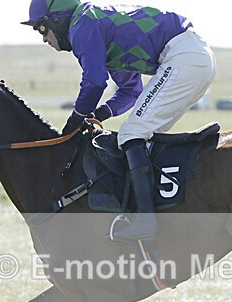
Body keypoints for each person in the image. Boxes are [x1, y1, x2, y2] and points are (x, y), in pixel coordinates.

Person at [23, 0, 216, 241]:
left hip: (184, 57)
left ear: (57, 19)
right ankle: (156, 207)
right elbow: (130, 90)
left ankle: (145, 220)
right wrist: (100, 113)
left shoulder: (82, 24)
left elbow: (94, 81)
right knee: (141, 137)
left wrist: (75, 120)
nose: (44, 39)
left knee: (131, 134)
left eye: (41, 29)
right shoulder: (95, 26)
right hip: (192, 57)